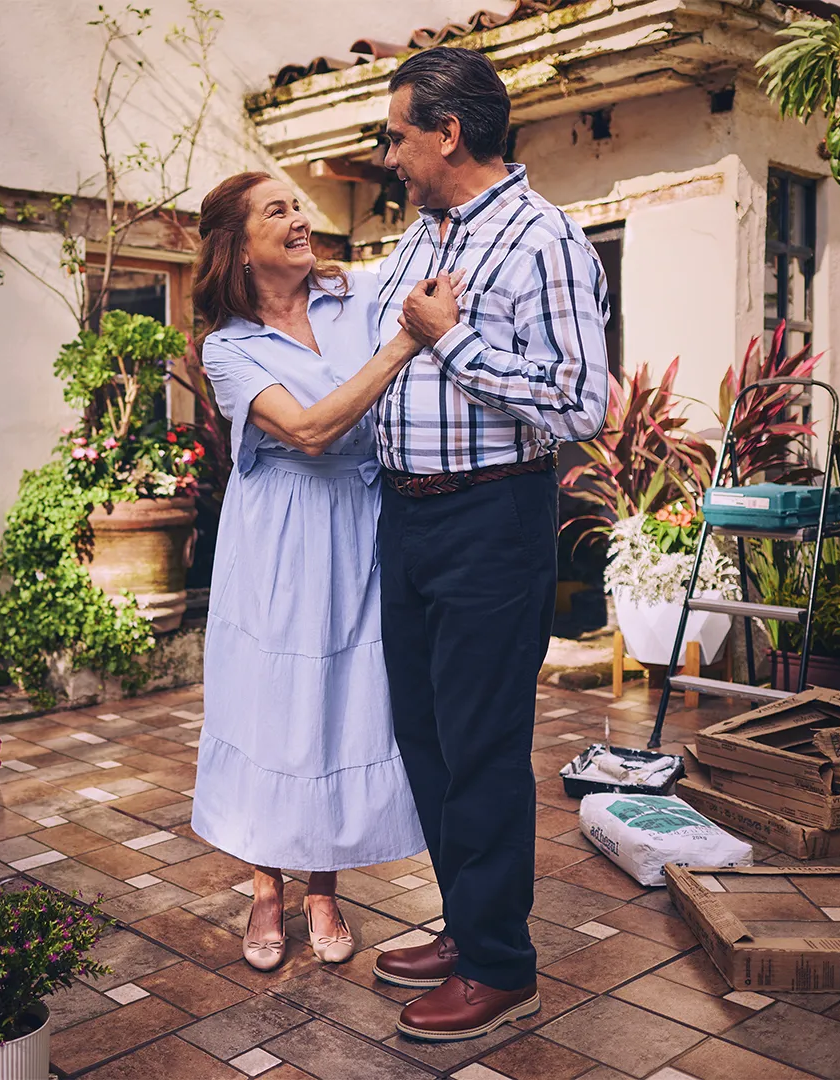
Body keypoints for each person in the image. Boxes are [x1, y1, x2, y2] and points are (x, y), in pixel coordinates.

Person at [365, 47, 610, 1041]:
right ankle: (468, 927)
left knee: (482, 745)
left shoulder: (545, 240)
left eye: (397, 137)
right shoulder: (419, 237)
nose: (389, 156)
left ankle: (502, 966)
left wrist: (452, 341)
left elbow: (581, 402)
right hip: (407, 517)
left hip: (491, 519)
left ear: (448, 132)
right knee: (425, 736)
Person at [190, 171, 427, 973]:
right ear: (239, 246)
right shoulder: (228, 348)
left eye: (298, 205)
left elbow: (423, 266)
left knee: (342, 700)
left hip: (359, 520)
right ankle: (267, 887)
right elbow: (310, 431)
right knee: (272, 705)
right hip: (279, 533)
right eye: (278, 210)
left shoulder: (353, 297)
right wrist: (405, 344)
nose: (300, 219)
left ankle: (323, 888)